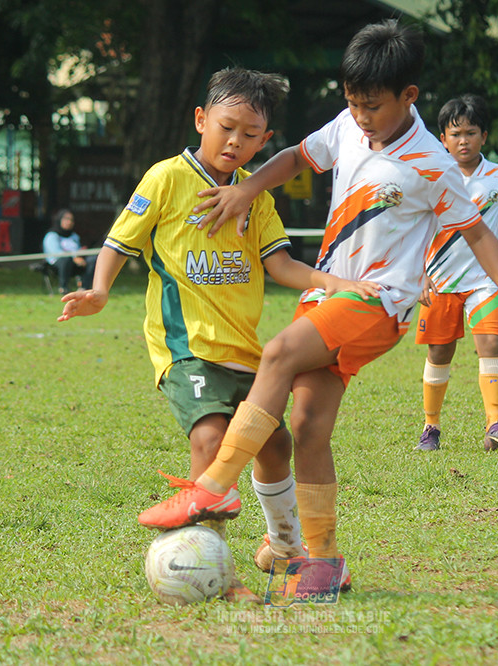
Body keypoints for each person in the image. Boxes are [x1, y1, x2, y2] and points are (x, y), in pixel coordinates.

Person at [136, 20, 498, 589]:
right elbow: (296, 158)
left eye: (372, 106)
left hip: (379, 302)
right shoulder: (346, 126)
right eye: (352, 102)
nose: (360, 115)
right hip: (328, 295)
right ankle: (322, 562)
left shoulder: (432, 163)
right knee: (308, 426)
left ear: (408, 96)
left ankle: (214, 485)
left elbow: (479, 234)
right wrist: (247, 187)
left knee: (278, 353)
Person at [57, 67, 380, 602]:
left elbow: (281, 265)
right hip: (186, 349)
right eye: (226, 127)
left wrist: (334, 282)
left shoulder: (258, 197)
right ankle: (218, 571)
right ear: (201, 120)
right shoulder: (166, 178)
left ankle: (284, 550)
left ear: (265, 140)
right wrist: (99, 290)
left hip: (246, 353)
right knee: (210, 440)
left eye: (250, 135)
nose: (235, 142)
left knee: (275, 445)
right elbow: (120, 240)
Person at [415, 94, 498, 452]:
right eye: (455, 134)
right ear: (442, 138)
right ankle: (431, 427)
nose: (463, 141)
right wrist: (418, 274)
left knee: (491, 343)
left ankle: (494, 426)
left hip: (486, 280)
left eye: (471, 133)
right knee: (439, 352)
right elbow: (416, 227)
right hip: (439, 281)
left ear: (484, 136)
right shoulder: (431, 176)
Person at [43, 209, 97, 294]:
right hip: (57, 263)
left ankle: (84, 288)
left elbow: (76, 250)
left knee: (92, 260)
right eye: (66, 219)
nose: (69, 222)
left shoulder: (74, 236)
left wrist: (81, 253)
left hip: (75, 263)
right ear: (59, 220)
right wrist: (74, 258)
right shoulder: (52, 236)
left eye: (71, 220)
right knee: (66, 259)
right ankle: (63, 288)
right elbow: (56, 252)